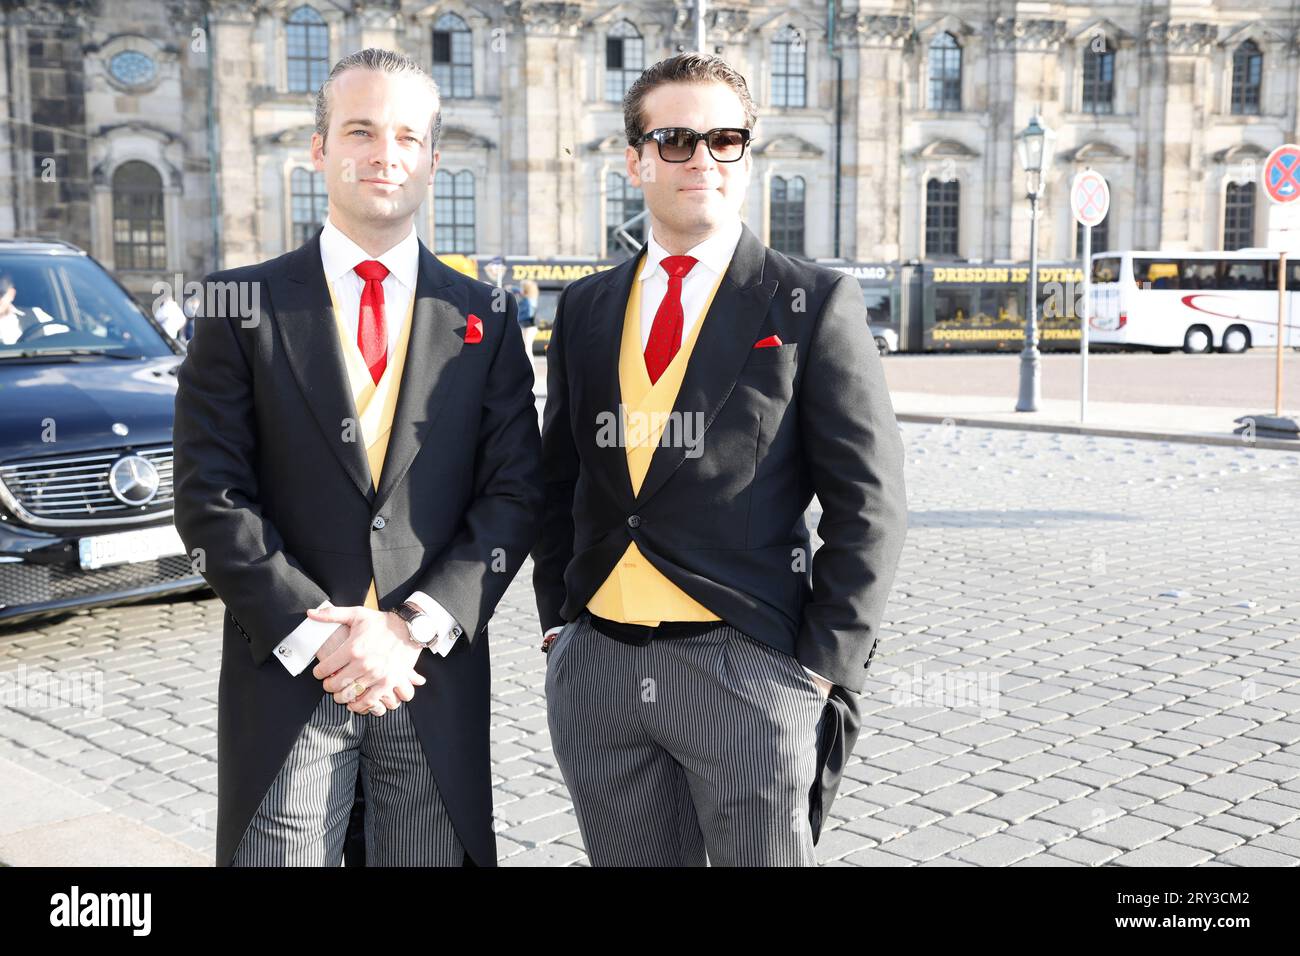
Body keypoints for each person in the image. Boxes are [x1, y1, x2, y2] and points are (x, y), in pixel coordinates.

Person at [532, 53, 908, 866]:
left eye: (725, 138)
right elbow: (557, 478)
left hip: (747, 670)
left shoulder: (812, 301)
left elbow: (869, 505)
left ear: (747, 156)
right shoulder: (589, 305)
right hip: (599, 671)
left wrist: (817, 675)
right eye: (674, 139)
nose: (701, 157)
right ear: (635, 161)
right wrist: (561, 629)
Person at [173, 47, 541, 867]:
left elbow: (515, 493)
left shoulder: (485, 316)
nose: (385, 153)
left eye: (408, 136)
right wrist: (325, 641)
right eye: (361, 130)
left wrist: (411, 629)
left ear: (433, 160)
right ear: (320, 149)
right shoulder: (239, 307)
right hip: (290, 676)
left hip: (428, 676)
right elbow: (210, 498)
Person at [518, 279, 539, 357]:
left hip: (528, 326)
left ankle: (530, 368)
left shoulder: (527, 300)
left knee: (527, 348)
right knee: (527, 348)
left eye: (522, 287)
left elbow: (528, 314)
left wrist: (517, 319)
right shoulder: (532, 298)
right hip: (530, 326)